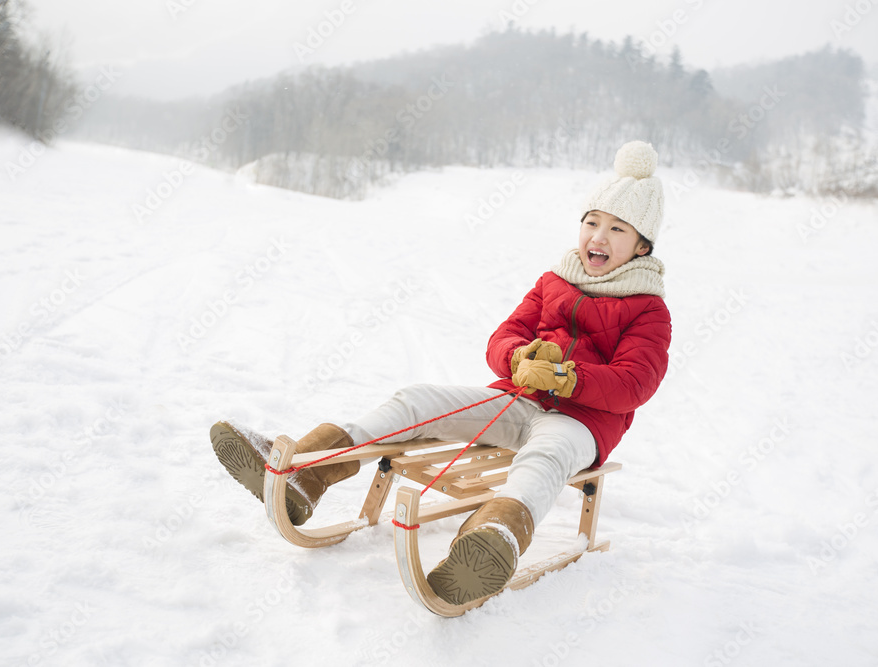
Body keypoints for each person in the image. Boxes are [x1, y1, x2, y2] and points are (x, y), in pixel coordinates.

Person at [211, 140, 672, 606]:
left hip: (582, 423)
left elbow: (636, 382)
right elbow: (503, 336)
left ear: (641, 245)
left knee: (545, 457)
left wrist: (569, 380)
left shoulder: (649, 309)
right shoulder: (554, 280)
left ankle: (493, 541)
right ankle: (305, 475)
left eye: (617, 229)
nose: (598, 236)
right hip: (517, 400)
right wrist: (517, 359)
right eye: (591, 222)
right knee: (418, 400)